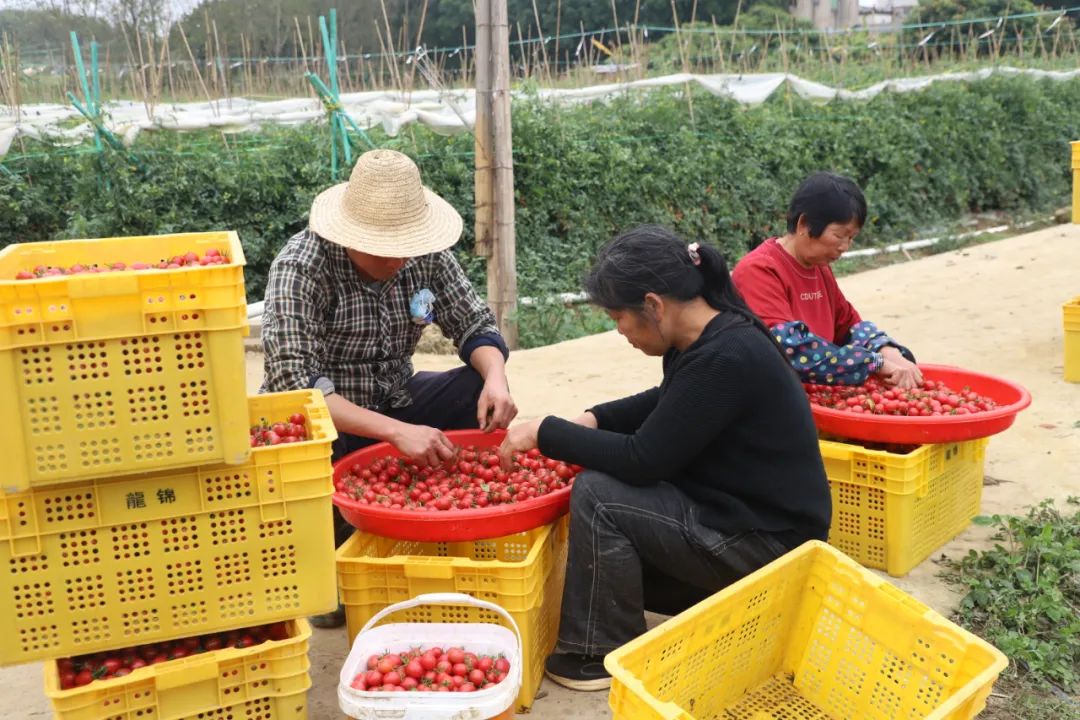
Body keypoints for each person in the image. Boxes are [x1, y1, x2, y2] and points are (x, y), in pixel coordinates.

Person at [498, 225, 831, 691]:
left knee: (600, 495)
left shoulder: (726, 356)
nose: (620, 331)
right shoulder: (712, 336)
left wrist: (547, 432)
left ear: (653, 305)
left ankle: (598, 652)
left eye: (619, 318)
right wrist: (593, 418)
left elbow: (643, 460)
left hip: (770, 546)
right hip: (747, 519)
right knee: (610, 551)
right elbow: (669, 401)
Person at [261, 149, 518, 627]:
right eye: (384, 247)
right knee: (333, 600)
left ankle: (437, 505)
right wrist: (398, 433)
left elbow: (474, 323)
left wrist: (496, 378)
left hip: (396, 397)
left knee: (472, 386)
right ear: (348, 236)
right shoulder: (302, 266)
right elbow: (296, 387)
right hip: (329, 421)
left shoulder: (425, 258)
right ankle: (338, 544)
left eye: (405, 245)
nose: (399, 258)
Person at [731, 172, 922, 388]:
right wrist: (874, 363)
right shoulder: (759, 270)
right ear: (804, 224)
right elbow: (788, 348)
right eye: (839, 236)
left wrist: (886, 350)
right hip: (776, 395)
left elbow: (849, 325)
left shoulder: (818, 266)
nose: (845, 247)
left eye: (851, 238)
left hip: (819, 390)